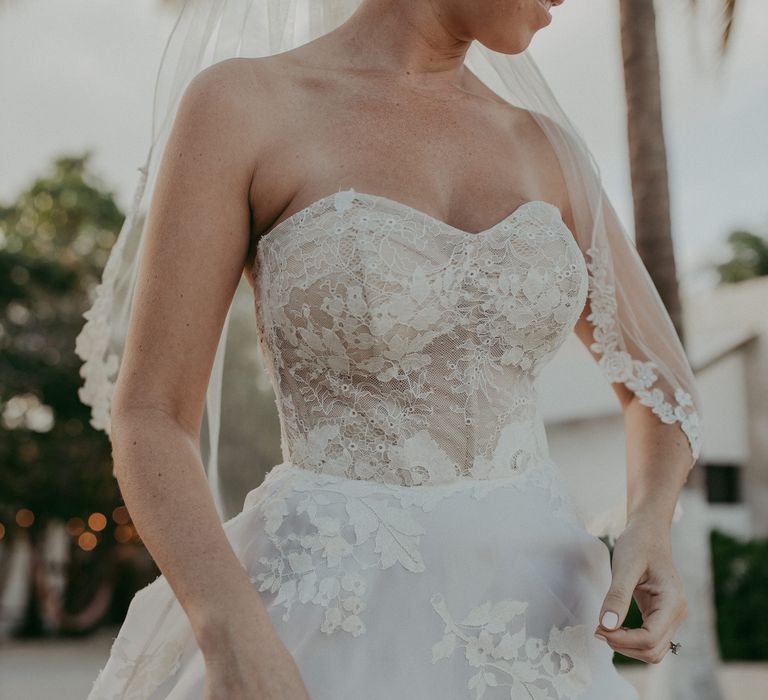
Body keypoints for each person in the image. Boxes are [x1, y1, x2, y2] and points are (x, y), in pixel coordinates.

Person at [80, 1, 701, 698]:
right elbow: (152, 415)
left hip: (536, 626)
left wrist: (650, 522)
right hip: (318, 618)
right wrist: (229, 631)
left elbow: (661, 385)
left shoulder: (548, 148)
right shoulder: (244, 107)